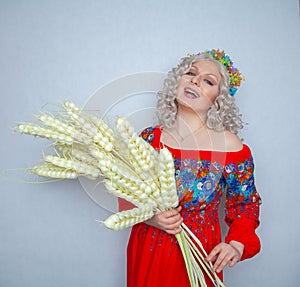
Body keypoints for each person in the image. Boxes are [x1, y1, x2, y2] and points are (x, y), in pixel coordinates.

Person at [126, 49, 261, 287]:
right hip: (149, 248)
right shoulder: (148, 139)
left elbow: (245, 205)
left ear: (219, 99)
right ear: (177, 81)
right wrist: (150, 217)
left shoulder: (231, 147)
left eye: (208, 81)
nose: (195, 80)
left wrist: (235, 245)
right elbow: (124, 192)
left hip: (200, 255)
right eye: (191, 73)